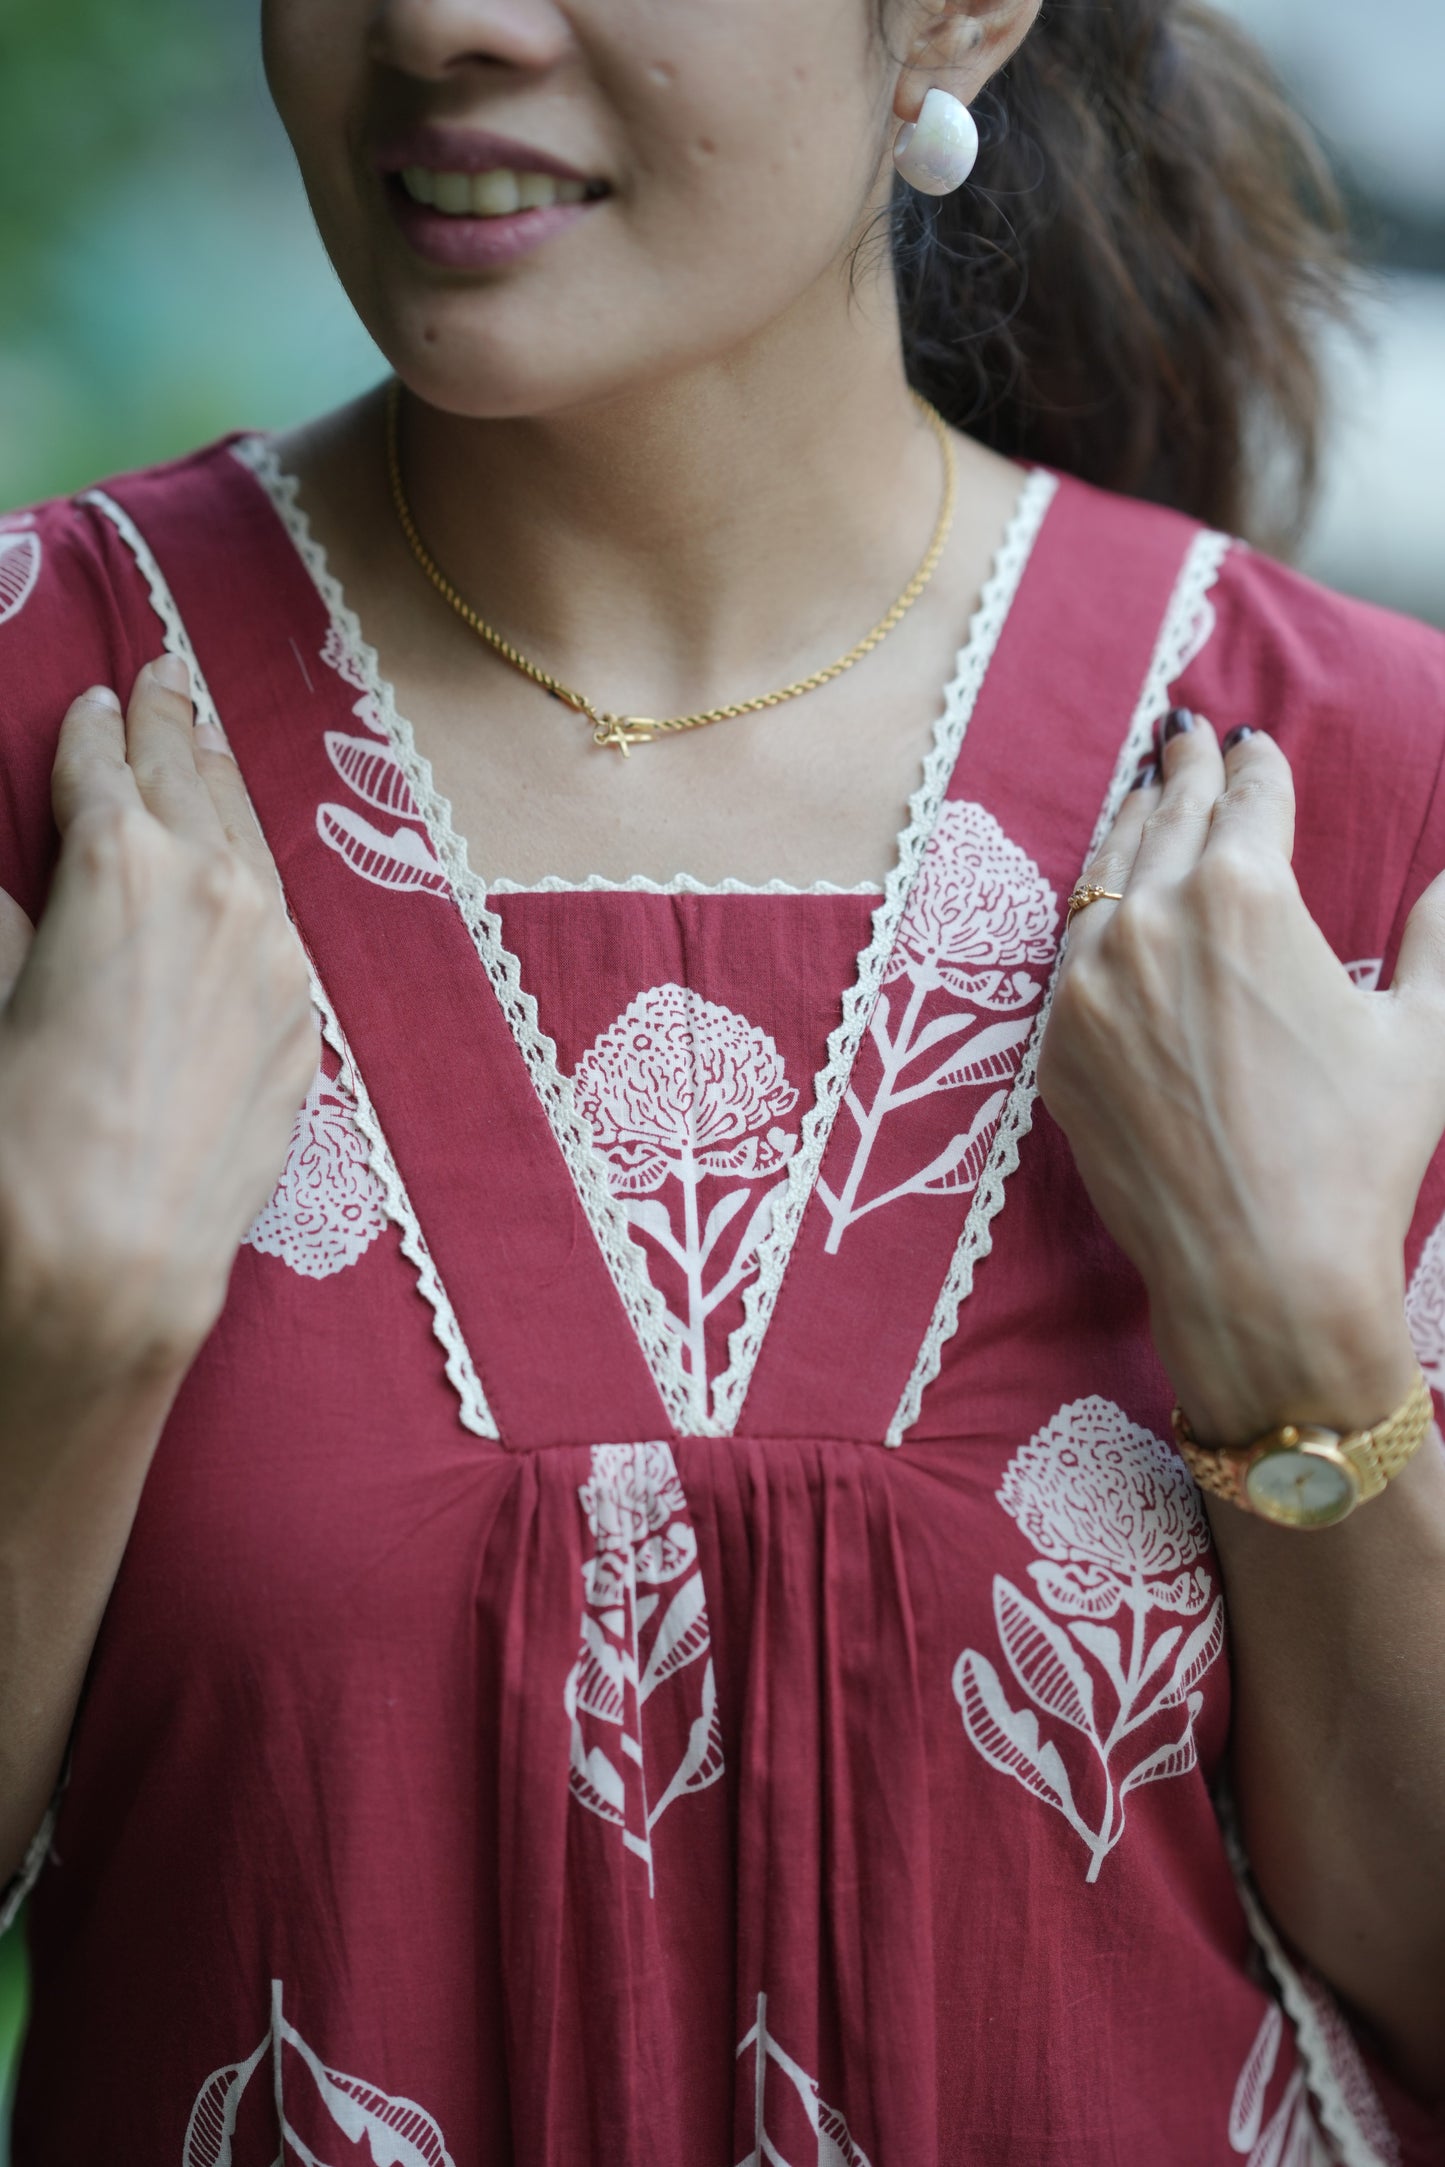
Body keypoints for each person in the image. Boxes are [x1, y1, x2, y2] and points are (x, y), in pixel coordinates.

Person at [1, 0, 1442, 2158]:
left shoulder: (1363, 809)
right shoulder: (50, 742)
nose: (437, 24)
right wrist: (66, 1338)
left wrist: (1307, 1360)